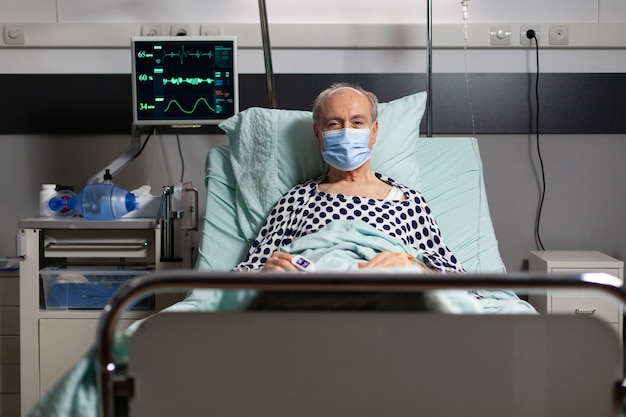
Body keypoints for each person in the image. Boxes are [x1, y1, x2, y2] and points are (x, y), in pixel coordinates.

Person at [233, 82, 464, 273]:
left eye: (357, 122)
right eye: (334, 124)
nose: (346, 131)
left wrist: (413, 267)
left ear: (374, 131)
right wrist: (268, 273)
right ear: (318, 134)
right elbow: (248, 269)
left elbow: (455, 278)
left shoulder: (408, 201)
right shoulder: (296, 199)